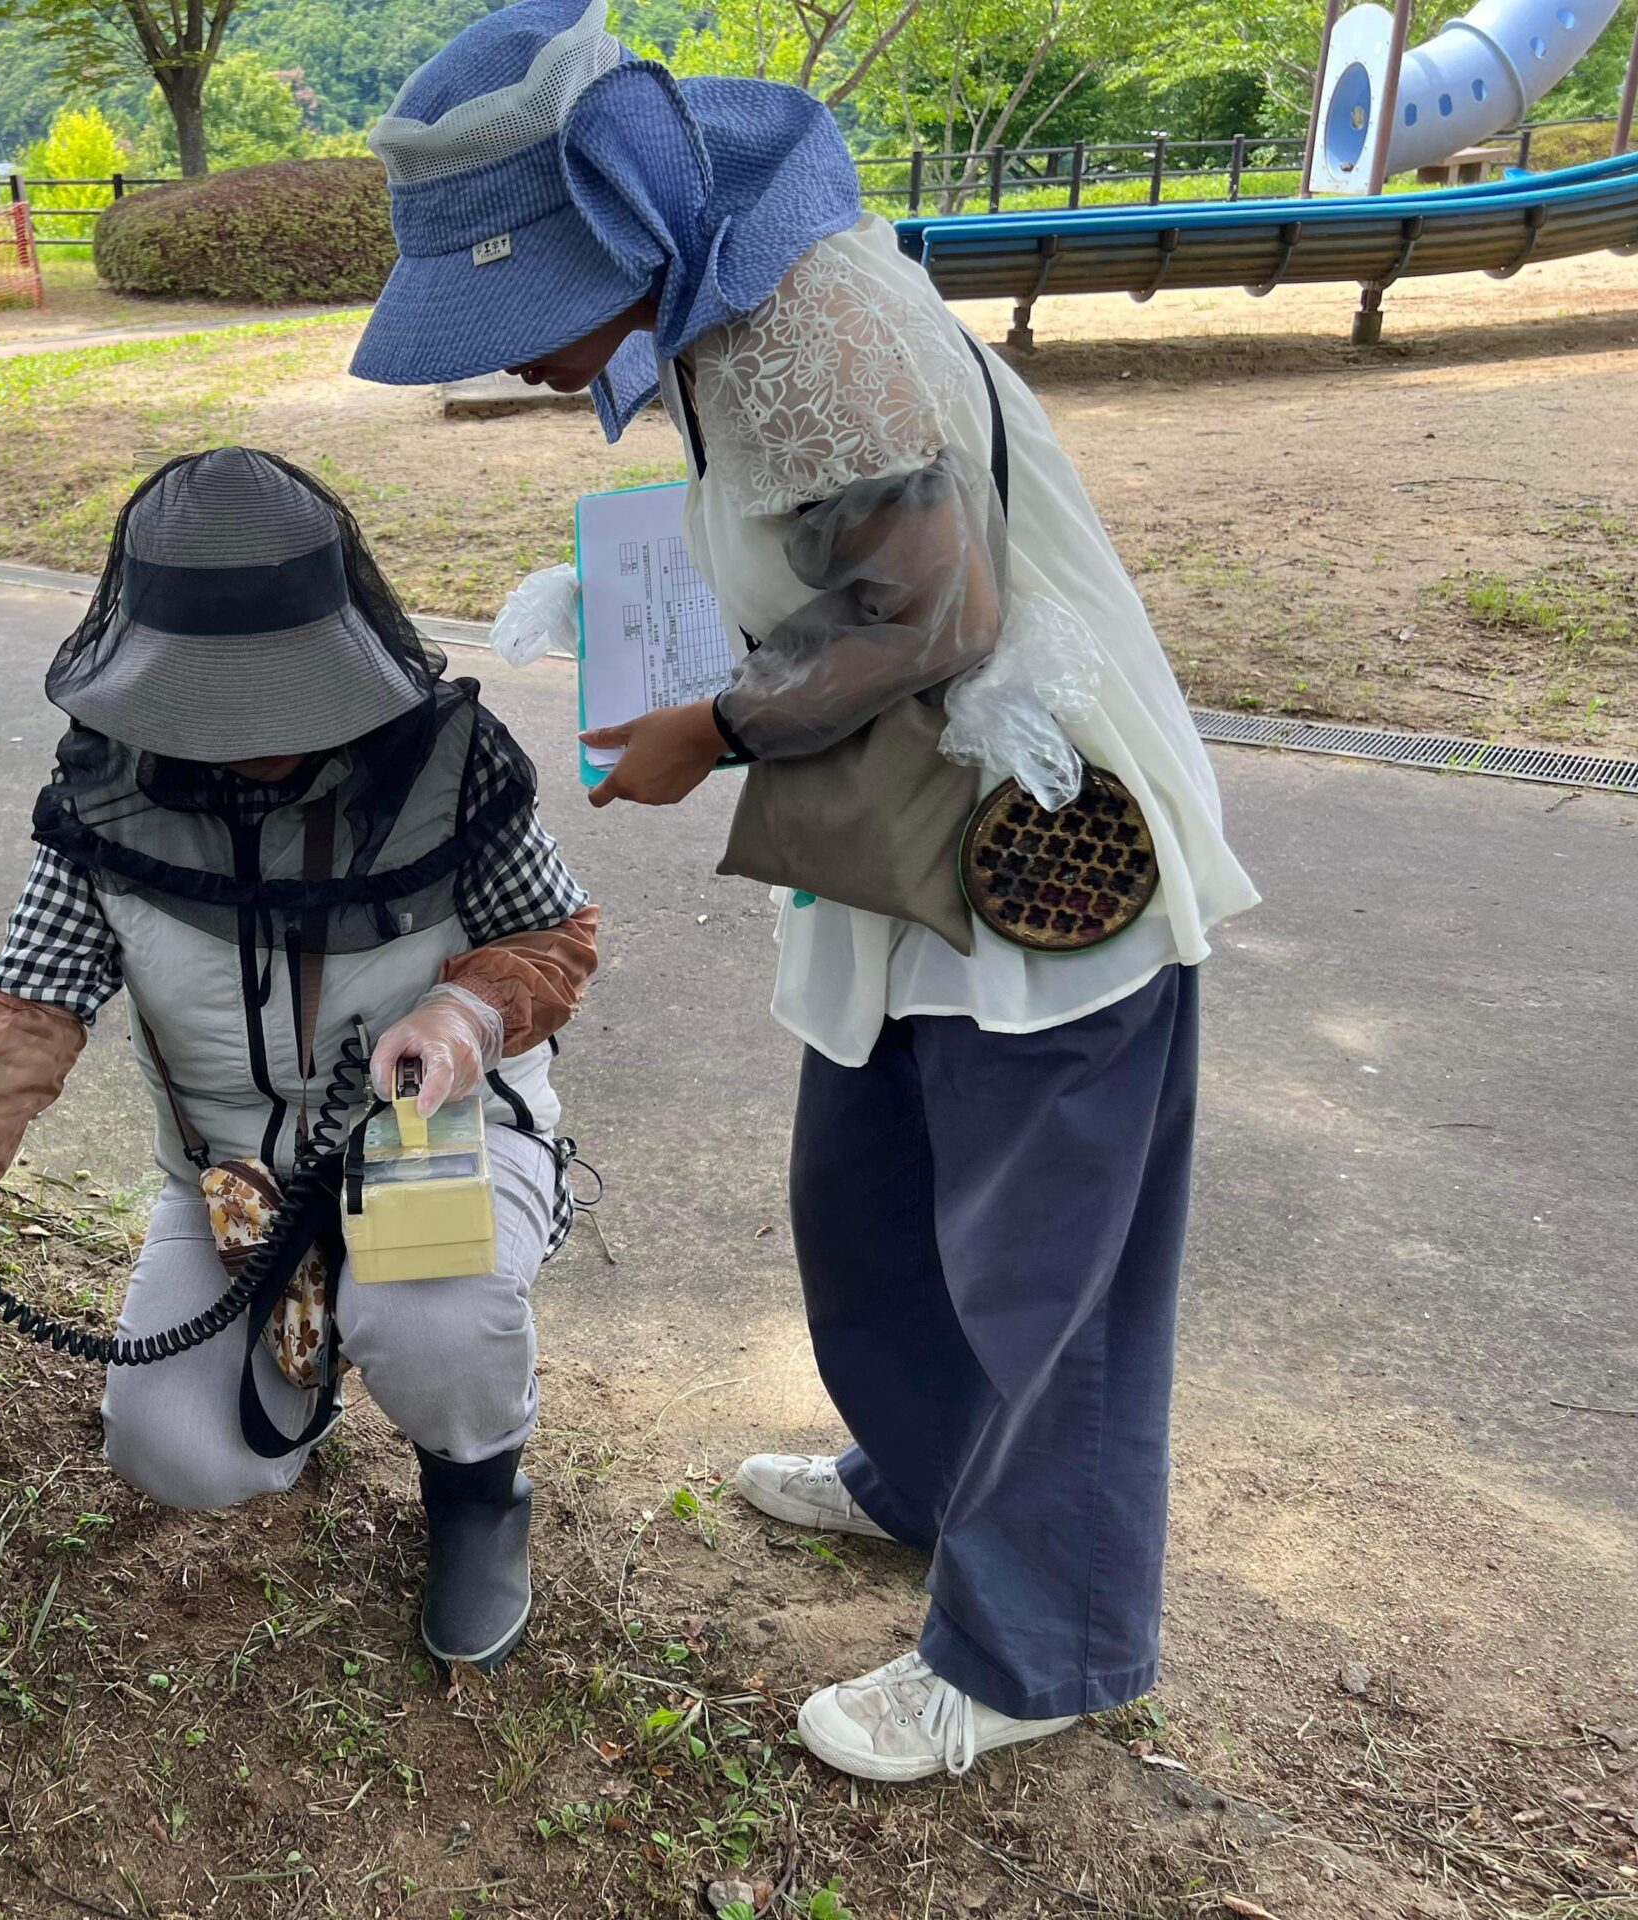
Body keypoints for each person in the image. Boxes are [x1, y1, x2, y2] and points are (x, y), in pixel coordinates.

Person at [350, 0, 1259, 1780]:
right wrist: (631, 602)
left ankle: (1036, 1647)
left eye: (523, 314)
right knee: (869, 1202)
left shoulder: (808, 318)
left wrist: (714, 722)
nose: (522, 366)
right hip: (899, 846)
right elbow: (814, 538)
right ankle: (924, 1478)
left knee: (1035, 1269)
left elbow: (935, 607)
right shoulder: (722, 302)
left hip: (1031, 844)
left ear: (610, 235)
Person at [0, 447, 601, 1673]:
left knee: (427, 1317)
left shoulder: (454, 762)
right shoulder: (99, 801)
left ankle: (475, 1485)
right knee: (175, 1448)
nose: (256, 743)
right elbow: (22, 1011)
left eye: (287, 700)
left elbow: (552, 936)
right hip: (229, 1173)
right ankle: (309, 1358)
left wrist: (467, 1016)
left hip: (421, 1135)